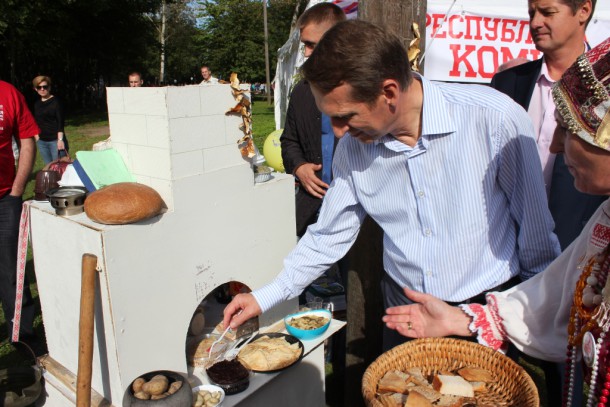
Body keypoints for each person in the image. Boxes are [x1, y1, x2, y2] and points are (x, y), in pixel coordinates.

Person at [223, 20, 561, 351]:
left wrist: (536, 317)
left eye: (346, 116)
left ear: (389, 93)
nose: (339, 131)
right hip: (405, 312)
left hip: (485, 308)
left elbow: (535, 234)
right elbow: (328, 235)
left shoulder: (495, 119)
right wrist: (264, 296)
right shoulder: (354, 149)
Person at [384, 37, 610, 406]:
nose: (553, 146)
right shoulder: (605, 220)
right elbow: (555, 294)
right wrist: (461, 320)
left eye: (570, 129)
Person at [491, 0, 604, 250]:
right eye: (531, 13)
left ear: (583, 11)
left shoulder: (604, 85)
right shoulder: (506, 83)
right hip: (509, 253)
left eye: (547, 12)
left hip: (580, 252)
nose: (535, 23)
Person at [280, 2, 346, 238]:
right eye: (304, 45)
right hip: (309, 210)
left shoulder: (364, 89)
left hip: (357, 217)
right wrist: (299, 166)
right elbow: (288, 140)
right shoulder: (301, 91)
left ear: (337, 41)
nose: (306, 53)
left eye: (311, 45)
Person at [0, 80, 40, 345]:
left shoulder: (8, 92)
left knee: (12, 270)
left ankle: (22, 338)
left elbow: (27, 142)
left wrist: (17, 190)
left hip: (5, 199)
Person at [32, 75, 69, 165]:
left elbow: (60, 122)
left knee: (60, 167)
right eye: (39, 87)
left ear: (49, 87)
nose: (42, 89)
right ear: (35, 89)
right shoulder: (36, 104)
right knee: (49, 167)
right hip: (42, 142)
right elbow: (34, 121)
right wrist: (36, 136)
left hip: (55, 141)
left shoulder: (56, 102)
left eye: (45, 87)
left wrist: (60, 140)